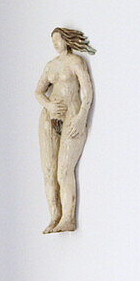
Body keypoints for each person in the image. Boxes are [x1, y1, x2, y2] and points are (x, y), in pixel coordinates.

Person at [35, 28, 95, 232]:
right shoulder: (50, 65)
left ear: (66, 40)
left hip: (72, 116)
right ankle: (54, 216)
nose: (55, 43)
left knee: (64, 170)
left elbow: (87, 91)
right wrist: (49, 106)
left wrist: (81, 117)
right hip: (49, 119)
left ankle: (68, 218)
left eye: (57, 39)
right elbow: (38, 91)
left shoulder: (75, 62)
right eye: (52, 40)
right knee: (49, 171)